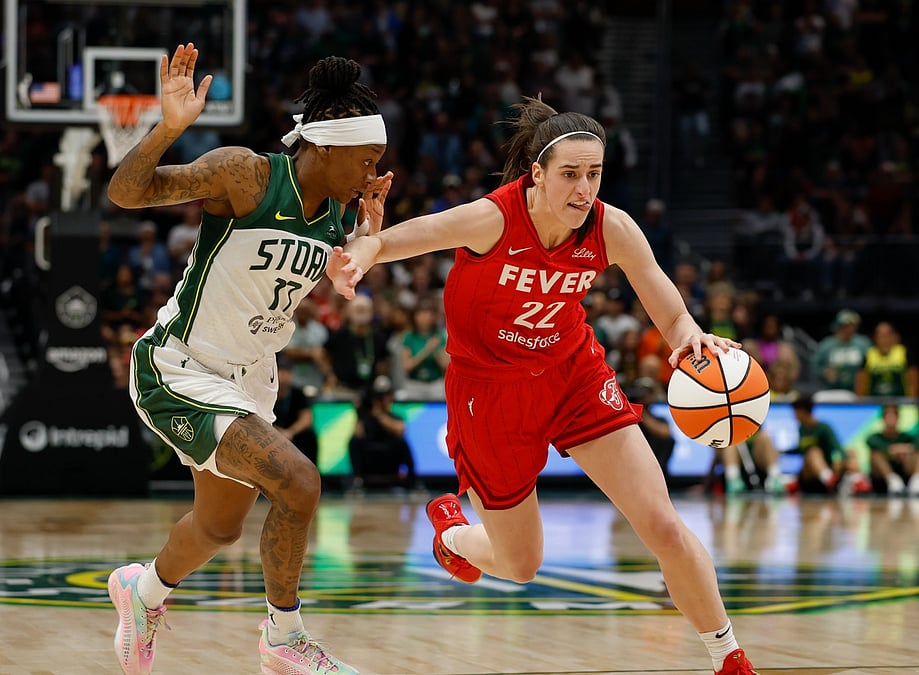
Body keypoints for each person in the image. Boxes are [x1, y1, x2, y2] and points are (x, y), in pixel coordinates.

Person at [333, 97, 759, 675]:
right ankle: (454, 536)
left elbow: (672, 312)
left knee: (660, 521)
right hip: (490, 394)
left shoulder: (613, 228)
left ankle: (727, 657)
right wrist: (356, 254)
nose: (585, 189)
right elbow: (388, 242)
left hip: (573, 375)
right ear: (536, 174)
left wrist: (694, 337)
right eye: (570, 175)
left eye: (594, 174)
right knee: (520, 564)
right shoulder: (491, 220)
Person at [104, 44, 392, 675]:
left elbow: (342, 278)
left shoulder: (338, 211)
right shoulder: (247, 175)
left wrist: (367, 236)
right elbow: (126, 193)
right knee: (300, 483)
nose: (373, 170)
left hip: (251, 381)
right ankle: (283, 639)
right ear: (323, 146)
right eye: (366, 158)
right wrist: (171, 128)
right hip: (181, 367)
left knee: (219, 527)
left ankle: (141, 591)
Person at [783, 396, 871, 496]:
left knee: (850, 452)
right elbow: (800, 449)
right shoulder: (801, 429)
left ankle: (857, 481)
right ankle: (830, 480)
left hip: (827, 466)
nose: (794, 416)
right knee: (813, 452)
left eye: (796, 412)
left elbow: (837, 447)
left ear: (803, 412)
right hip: (808, 474)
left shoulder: (824, 428)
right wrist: (783, 452)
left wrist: (846, 463)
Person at [348, 374, 419, 492]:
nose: (383, 400)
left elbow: (400, 430)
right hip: (371, 459)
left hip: (390, 459)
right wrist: (360, 413)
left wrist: (380, 415)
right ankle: (357, 480)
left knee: (402, 443)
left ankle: (413, 483)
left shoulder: (394, 417)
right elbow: (358, 434)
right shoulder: (366, 417)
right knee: (354, 442)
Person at [866, 404, 919, 496]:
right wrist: (891, 450)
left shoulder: (905, 437)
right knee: (875, 453)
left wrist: (908, 449)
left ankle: (917, 481)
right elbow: (870, 441)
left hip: (905, 469)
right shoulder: (877, 437)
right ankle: (893, 481)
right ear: (883, 419)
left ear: (898, 418)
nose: (891, 420)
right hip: (883, 477)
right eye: (888, 416)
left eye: (893, 416)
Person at [810, 309, 872, 394]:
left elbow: (873, 362)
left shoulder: (863, 344)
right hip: (832, 391)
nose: (850, 329)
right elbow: (814, 366)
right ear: (838, 326)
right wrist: (824, 372)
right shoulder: (827, 345)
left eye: (853, 326)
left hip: (858, 391)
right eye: (846, 326)